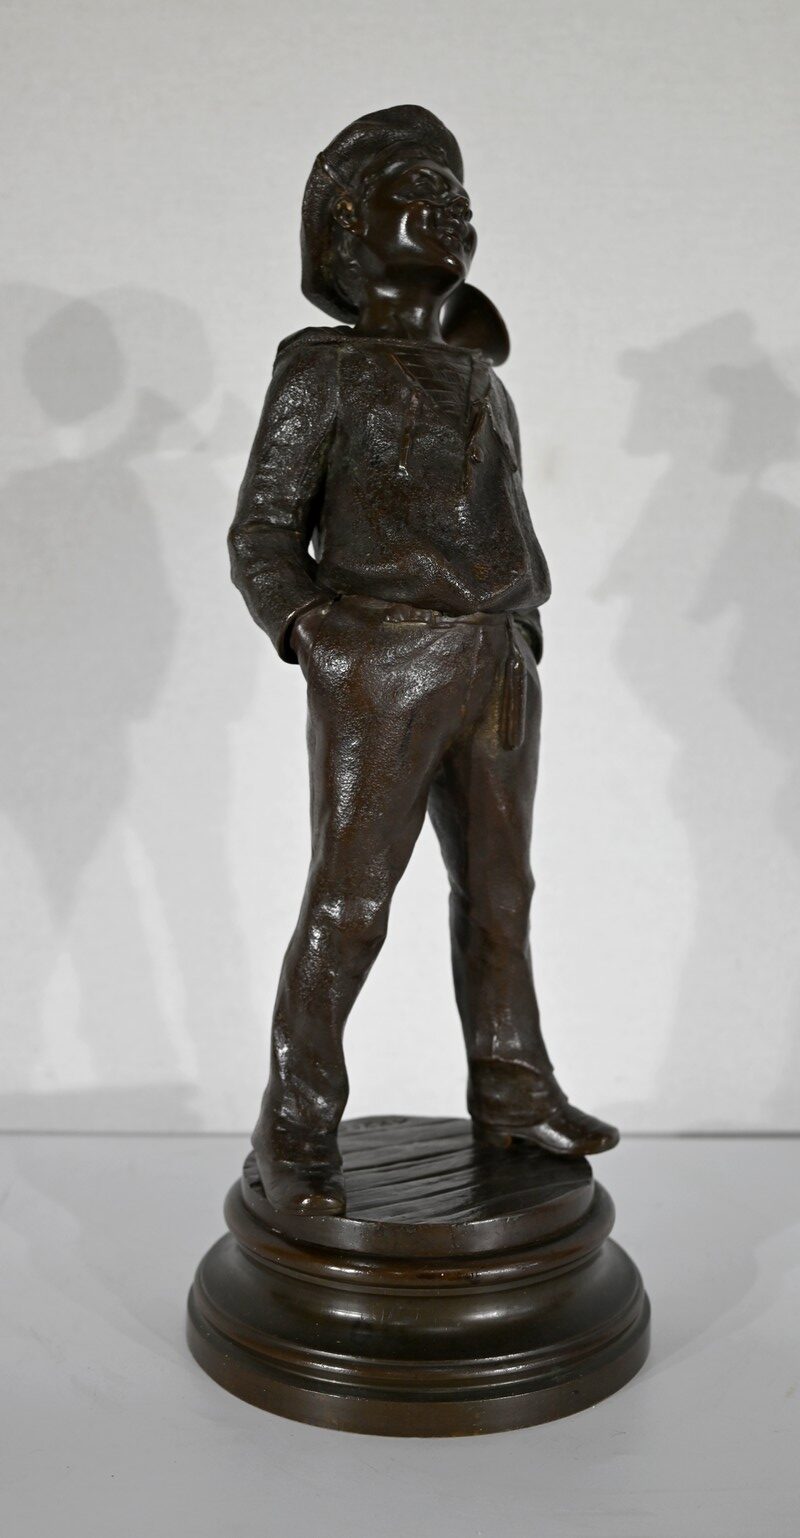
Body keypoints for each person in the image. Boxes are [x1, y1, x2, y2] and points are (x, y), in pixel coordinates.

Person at [229, 105, 618, 1213]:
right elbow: (261, 533)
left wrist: (521, 630)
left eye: (461, 197)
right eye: (421, 190)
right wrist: (318, 634)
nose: (453, 210)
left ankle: (513, 1088)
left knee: (500, 891)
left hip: (498, 654)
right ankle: (294, 1129)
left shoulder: (485, 379)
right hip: (384, 663)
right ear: (351, 227)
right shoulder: (320, 370)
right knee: (351, 904)